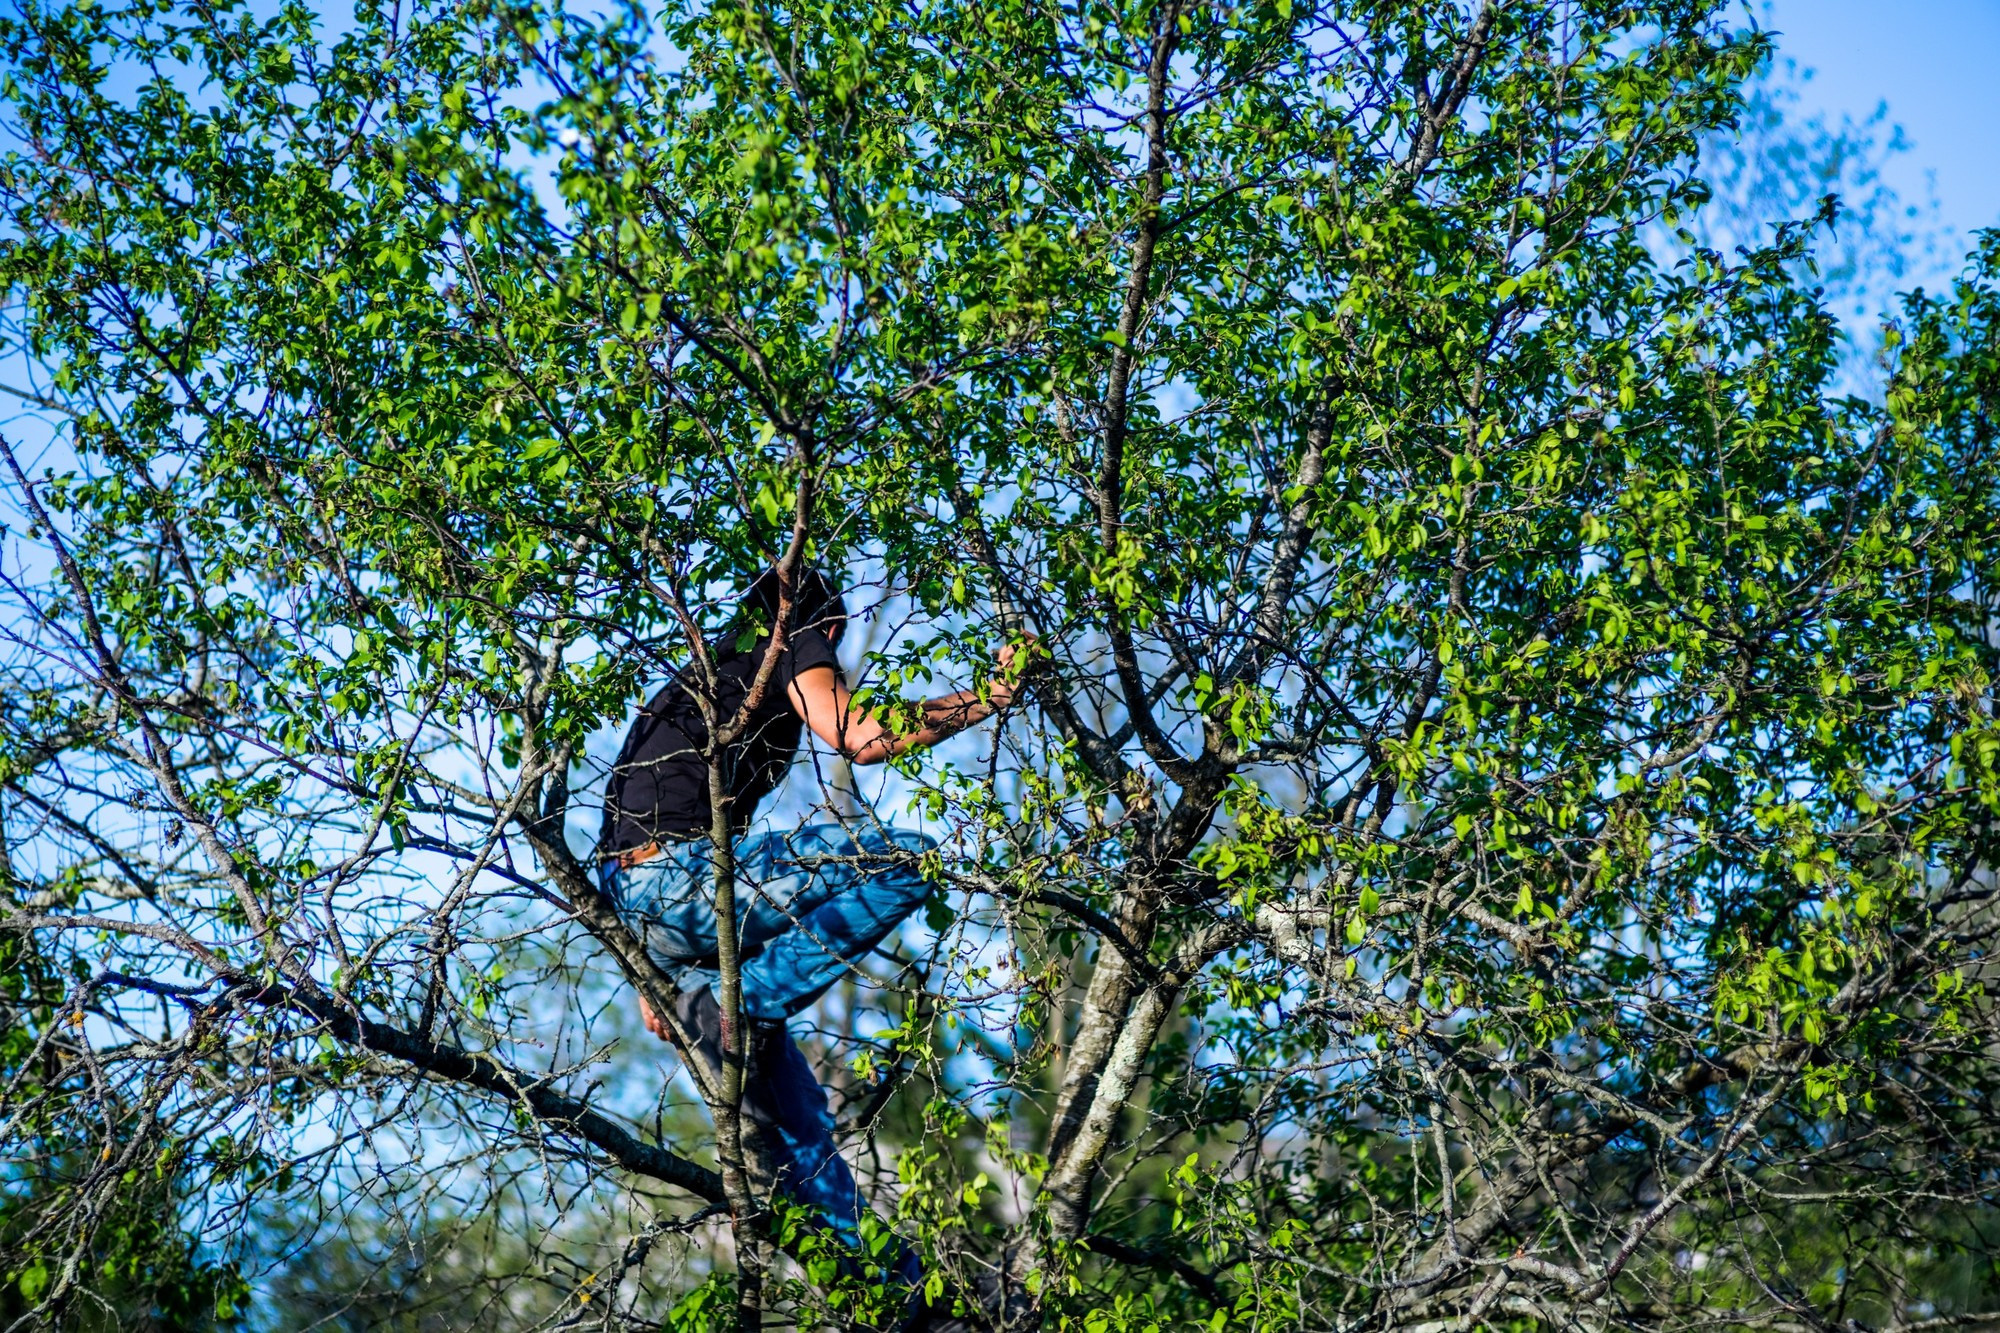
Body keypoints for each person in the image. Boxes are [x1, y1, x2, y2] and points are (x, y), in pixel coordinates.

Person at [596, 566, 1029, 1280]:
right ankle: (744, 1001)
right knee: (904, 859)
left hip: (644, 903)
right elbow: (860, 735)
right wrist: (990, 695)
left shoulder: (699, 680)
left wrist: (650, 967)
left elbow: (622, 823)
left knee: (800, 1131)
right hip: (679, 882)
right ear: (823, 629)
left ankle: (898, 1300)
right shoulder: (794, 638)